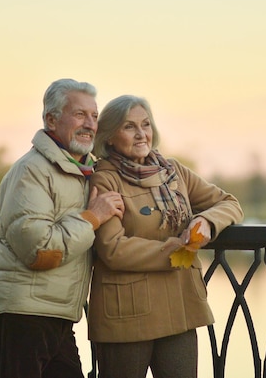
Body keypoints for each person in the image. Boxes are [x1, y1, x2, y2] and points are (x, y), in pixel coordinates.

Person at [87, 94, 244, 378]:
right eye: (129, 127)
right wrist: (174, 251)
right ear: (109, 137)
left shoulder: (173, 172)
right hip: (128, 314)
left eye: (145, 125)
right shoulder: (104, 179)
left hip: (180, 306)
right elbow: (112, 248)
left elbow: (229, 203)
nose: (140, 134)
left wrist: (206, 221)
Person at [0, 78, 125, 378]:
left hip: (58, 317)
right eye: (79, 114)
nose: (89, 124)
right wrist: (93, 218)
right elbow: (39, 250)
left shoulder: (85, 172)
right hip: (21, 317)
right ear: (51, 119)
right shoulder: (30, 171)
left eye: (94, 116)